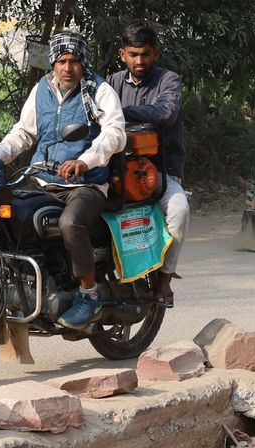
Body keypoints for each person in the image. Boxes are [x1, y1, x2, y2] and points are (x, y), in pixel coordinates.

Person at [0, 31, 126, 330]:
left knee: (70, 223)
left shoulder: (98, 89)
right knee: (4, 212)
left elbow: (115, 133)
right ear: (52, 63)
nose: (68, 68)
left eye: (74, 61)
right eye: (62, 61)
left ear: (83, 63)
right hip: (43, 180)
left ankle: (89, 295)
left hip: (86, 184)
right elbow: (24, 134)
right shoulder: (42, 89)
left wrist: (85, 160)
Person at [107, 22, 188, 307]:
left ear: (156, 53)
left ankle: (165, 277)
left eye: (145, 54)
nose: (139, 61)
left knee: (179, 210)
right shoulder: (112, 83)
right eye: (133, 54)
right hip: (116, 171)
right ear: (122, 54)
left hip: (161, 174)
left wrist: (118, 111)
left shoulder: (169, 80)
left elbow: (165, 112)